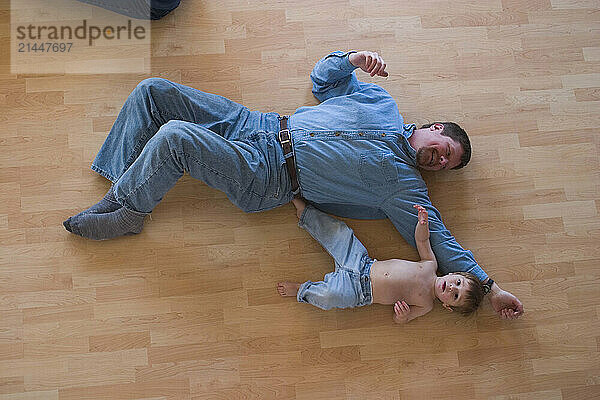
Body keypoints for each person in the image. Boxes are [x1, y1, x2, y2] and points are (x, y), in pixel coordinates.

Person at [63, 50, 523, 320]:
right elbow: (322, 80)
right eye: (445, 150)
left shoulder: (405, 188)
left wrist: (488, 286)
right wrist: (353, 58)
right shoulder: (380, 100)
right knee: (154, 90)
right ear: (436, 126)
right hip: (257, 122)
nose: (439, 161)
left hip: (269, 175)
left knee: (175, 139)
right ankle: (121, 182)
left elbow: (441, 241)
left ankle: (129, 211)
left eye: (445, 166)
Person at [277, 198, 484, 322]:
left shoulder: (426, 305)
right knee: (340, 233)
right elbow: (422, 239)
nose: (451, 289)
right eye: (458, 283)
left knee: (330, 297)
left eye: (455, 296)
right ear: (454, 274)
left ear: (448, 306)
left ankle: (302, 290)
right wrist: (423, 222)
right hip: (362, 263)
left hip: (360, 293)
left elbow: (402, 320)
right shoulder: (431, 264)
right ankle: (306, 213)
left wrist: (402, 316)